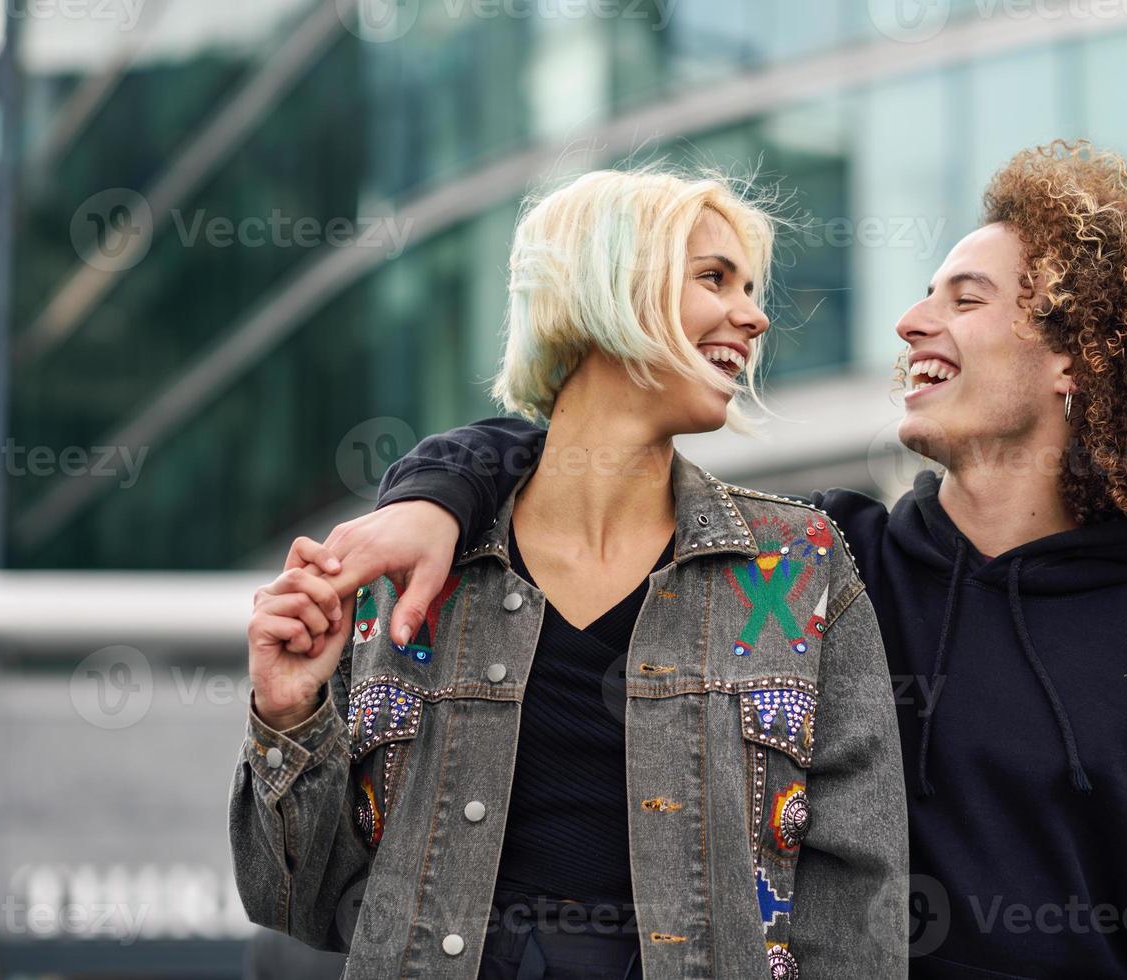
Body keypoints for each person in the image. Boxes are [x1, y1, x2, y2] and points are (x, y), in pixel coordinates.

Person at [314, 141, 1127, 978]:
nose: (912, 323)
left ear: (1074, 355)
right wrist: (435, 495)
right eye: (920, 295)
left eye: (964, 298)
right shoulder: (814, 563)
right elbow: (583, 447)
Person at [229, 167, 908, 979]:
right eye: (713, 279)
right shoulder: (408, 572)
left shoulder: (799, 566)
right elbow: (299, 901)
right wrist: (287, 712)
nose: (754, 316)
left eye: (750, 287)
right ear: (606, 289)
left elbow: (853, 913)